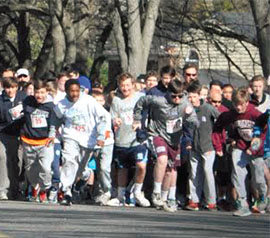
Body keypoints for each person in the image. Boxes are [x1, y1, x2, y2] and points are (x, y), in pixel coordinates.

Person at [133, 80, 197, 212]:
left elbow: (195, 122)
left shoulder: (185, 103)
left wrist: (190, 115)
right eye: (174, 96)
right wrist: (137, 119)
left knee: (170, 170)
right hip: (157, 135)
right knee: (162, 159)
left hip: (174, 139)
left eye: (180, 96)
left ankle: (164, 197)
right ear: (168, 93)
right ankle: (156, 192)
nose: (177, 99)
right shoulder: (159, 100)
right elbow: (142, 101)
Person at [213, 88, 268, 216]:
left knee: (258, 177)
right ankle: (242, 203)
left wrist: (254, 147)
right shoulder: (231, 114)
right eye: (235, 104)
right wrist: (218, 145)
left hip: (257, 149)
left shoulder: (256, 114)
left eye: (241, 104)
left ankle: (262, 196)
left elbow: (264, 134)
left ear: (247, 102)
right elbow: (218, 126)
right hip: (241, 146)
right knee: (237, 173)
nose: (238, 107)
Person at [57, 79, 109, 205]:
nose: (74, 94)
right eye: (71, 91)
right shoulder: (60, 104)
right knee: (69, 161)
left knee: (80, 170)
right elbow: (56, 119)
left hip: (88, 139)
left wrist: (101, 135)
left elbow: (102, 117)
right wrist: (52, 134)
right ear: (66, 91)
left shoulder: (89, 101)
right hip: (71, 136)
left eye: (76, 91)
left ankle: (86, 175)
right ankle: (66, 191)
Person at [110, 73, 150, 207]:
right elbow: (113, 116)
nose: (125, 88)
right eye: (122, 86)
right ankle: (120, 196)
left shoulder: (141, 97)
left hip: (138, 139)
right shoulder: (116, 100)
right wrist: (115, 120)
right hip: (122, 138)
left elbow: (149, 112)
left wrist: (142, 123)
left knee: (141, 165)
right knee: (122, 168)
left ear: (133, 85)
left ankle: (137, 192)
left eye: (128, 85)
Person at [18, 82, 61, 203]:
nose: (39, 95)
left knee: (46, 168)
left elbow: (54, 122)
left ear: (47, 92)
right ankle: (35, 187)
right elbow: (20, 116)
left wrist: (52, 135)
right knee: (30, 169)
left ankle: (44, 189)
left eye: (42, 92)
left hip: (45, 142)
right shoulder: (27, 102)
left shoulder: (51, 106)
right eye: (37, 92)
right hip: (29, 140)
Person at [185, 83, 221, 211]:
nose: (192, 100)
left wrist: (218, 141)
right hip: (193, 147)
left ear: (200, 96)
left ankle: (211, 201)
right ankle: (194, 200)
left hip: (208, 146)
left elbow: (221, 119)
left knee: (208, 171)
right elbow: (185, 127)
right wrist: (188, 141)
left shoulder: (208, 108)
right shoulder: (187, 110)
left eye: (194, 96)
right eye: (189, 97)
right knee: (194, 173)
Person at [0, 77, 27, 200]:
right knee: (2, 158)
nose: (10, 90)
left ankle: (15, 189)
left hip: (19, 135)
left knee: (17, 162)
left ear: (17, 87)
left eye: (12, 87)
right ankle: (2, 190)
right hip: (2, 134)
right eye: (7, 87)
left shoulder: (24, 98)